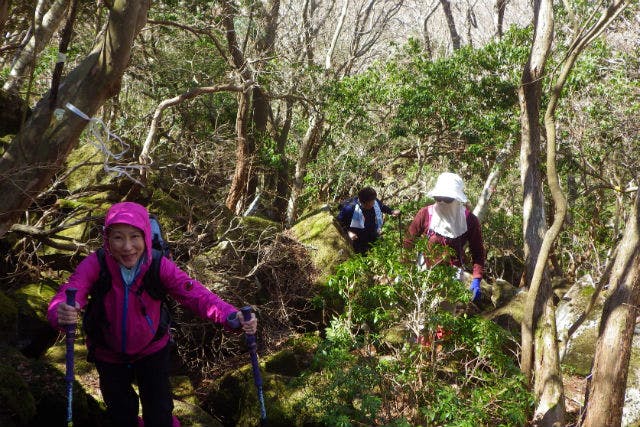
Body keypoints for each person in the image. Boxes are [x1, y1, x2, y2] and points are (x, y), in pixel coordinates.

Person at [47, 202, 257, 427]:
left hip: (152, 350)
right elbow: (72, 289)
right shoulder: (96, 264)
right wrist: (61, 312)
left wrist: (230, 316)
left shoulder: (159, 265)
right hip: (108, 353)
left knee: (159, 413)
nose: (127, 247)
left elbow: (196, 295)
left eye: (135, 237)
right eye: (118, 237)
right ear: (107, 239)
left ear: (146, 236)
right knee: (121, 415)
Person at [404, 173, 485, 302]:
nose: (441, 202)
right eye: (438, 197)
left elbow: (478, 251)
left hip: (452, 276)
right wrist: (402, 270)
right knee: (422, 314)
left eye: (446, 199)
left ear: (457, 199)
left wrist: (477, 278)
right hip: (425, 273)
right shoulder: (425, 214)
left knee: (445, 314)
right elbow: (408, 242)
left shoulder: (469, 220)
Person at [337, 186, 400, 254]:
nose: (374, 203)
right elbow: (339, 222)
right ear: (363, 202)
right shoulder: (349, 209)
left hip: (372, 233)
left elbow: (381, 206)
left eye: (374, 200)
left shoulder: (374, 201)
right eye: (372, 202)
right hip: (357, 239)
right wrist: (348, 233)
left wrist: (391, 211)